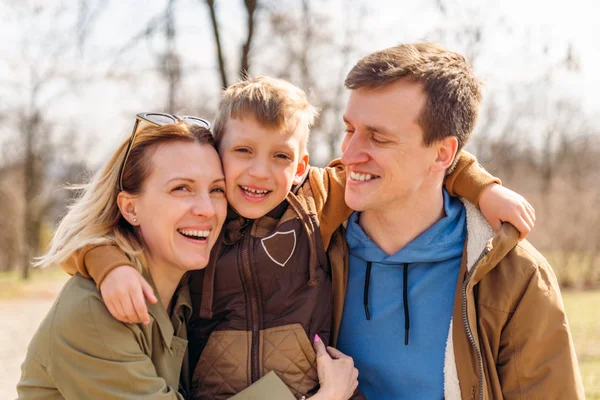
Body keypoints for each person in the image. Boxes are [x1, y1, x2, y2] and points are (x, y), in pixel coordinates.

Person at [61, 77, 536, 400]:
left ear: (302, 166)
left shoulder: (319, 199)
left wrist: (484, 189)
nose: (259, 172)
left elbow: (417, 161)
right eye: (242, 151)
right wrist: (111, 267)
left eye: (281, 157)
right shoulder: (203, 216)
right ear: (216, 154)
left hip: (311, 389)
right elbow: (106, 230)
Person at [17, 116, 358, 400]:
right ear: (130, 207)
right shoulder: (94, 314)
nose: (206, 210)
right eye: (181, 188)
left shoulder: (182, 294)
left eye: (216, 189)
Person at [334, 43, 585, 399]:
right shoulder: (307, 241)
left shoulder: (514, 276)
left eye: (378, 137)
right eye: (349, 129)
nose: (349, 154)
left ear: (442, 154)